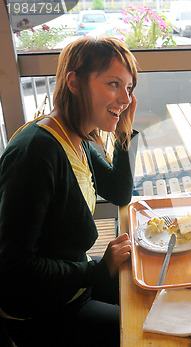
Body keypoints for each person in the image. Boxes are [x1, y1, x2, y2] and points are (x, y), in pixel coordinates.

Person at [0, 37, 139, 346]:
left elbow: (119, 192)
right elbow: (14, 268)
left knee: (150, 295)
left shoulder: (79, 136)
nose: (126, 98)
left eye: (129, 89)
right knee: (146, 331)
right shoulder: (37, 152)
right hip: (45, 312)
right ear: (74, 82)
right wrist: (96, 270)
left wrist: (124, 130)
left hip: (74, 286)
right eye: (113, 84)